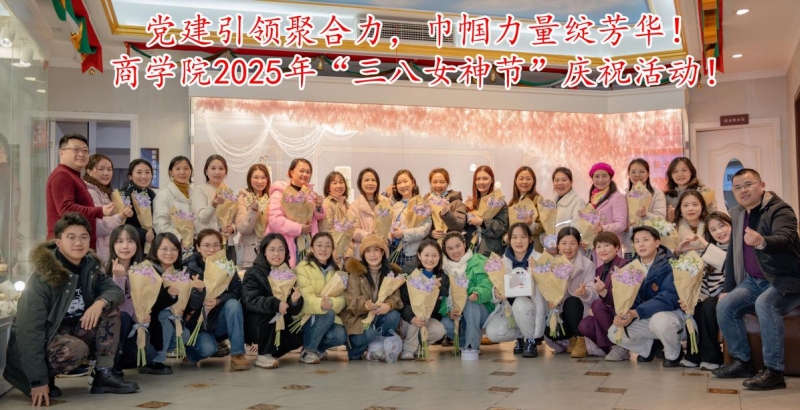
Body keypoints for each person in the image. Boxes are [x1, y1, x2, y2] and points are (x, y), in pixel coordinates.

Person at [4, 213, 139, 406]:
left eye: (84, 237)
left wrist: (99, 303)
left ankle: (104, 374)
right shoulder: (43, 277)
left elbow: (114, 291)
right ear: (58, 242)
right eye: (71, 237)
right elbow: (29, 331)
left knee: (110, 309)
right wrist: (37, 380)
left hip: (73, 330)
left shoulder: (89, 266)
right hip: (46, 339)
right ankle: (46, 378)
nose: (78, 243)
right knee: (75, 349)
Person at [713, 169, 800, 390]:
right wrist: (728, 288)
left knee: (765, 304)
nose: (743, 190)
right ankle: (742, 362)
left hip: (784, 280)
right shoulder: (738, 214)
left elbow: (786, 238)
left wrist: (762, 242)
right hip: (754, 281)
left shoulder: (780, 210)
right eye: (737, 187)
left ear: (762, 185)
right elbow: (733, 255)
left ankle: (774, 372)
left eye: (748, 184)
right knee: (725, 305)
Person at [608, 226, 683, 367]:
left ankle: (674, 353)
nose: (641, 244)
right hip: (644, 316)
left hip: (672, 315)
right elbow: (629, 297)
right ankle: (647, 348)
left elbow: (668, 298)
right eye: (637, 241)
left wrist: (636, 312)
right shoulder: (631, 268)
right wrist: (623, 314)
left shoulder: (671, 264)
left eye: (645, 240)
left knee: (659, 321)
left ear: (657, 243)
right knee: (614, 332)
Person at [183, 229, 249, 371]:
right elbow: (184, 302)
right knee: (208, 349)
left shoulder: (227, 266)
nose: (212, 249)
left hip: (219, 320)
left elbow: (236, 291)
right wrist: (200, 295)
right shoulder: (189, 268)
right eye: (206, 245)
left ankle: (238, 354)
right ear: (198, 247)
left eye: (216, 245)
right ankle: (190, 352)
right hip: (197, 324)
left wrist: (219, 300)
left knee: (233, 305)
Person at [675, 212, 731, 370]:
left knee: (708, 306)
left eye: (722, 226)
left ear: (732, 226)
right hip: (711, 297)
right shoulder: (708, 252)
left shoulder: (739, 248)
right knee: (694, 306)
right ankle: (694, 354)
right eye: (713, 229)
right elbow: (702, 281)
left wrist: (706, 247)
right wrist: (693, 299)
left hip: (731, 294)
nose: (719, 232)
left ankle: (712, 356)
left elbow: (731, 268)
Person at [484, 223, 546, 358]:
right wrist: (496, 293)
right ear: (509, 240)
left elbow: (548, 288)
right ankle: (522, 335)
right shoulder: (501, 261)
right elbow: (496, 285)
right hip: (509, 310)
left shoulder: (540, 259)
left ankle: (530, 340)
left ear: (530, 239)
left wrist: (535, 276)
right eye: (514, 237)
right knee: (494, 333)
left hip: (532, 308)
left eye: (523, 237)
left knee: (520, 303)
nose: (519, 241)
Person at [242, 233, 304, 369]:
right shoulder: (254, 272)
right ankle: (263, 354)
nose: (277, 254)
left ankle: (273, 350)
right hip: (257, 322)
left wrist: (294, 301)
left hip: (279, 322)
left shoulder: (287, 272)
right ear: (264, 252)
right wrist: (276, 304)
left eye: (281, 249)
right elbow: (251, 300)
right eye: (272, 249)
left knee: (300, 331)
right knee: (269, 313)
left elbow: (292, 310)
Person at [46, 133, 117, 249]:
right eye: (76, 150)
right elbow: (66, 209)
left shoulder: (73, 176)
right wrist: (100, 211)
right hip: (67, 246)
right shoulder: (62, 175)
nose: (81, 154)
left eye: (85, 151)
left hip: (76, 245)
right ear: (61, 153)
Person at [342, 234, 404, 361]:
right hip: (361, 319)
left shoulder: (391, 272)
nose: (372, 255)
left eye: (376, 250)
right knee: (368, 333)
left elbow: (396, 298)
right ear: (363, 254)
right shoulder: (356, 273)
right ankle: (360, 348)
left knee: (393, 316)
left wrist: (388, 305)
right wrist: (365, 305)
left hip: (379, 316)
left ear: (382, 252)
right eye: (368, 251)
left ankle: (377, 347)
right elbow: (352, 300)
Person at [105, 225, 156, 374]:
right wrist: (118, 278)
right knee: (123, 317)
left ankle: (118, 362)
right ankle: (107, 368)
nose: (125, 246)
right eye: (120, 241)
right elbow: (115, 307)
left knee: (149, 353)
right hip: (109, 329)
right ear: (112, 245)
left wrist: (143, 317)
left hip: (132, 328)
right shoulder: (103, 272)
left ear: (137, 244)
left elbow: (143, 302)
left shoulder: (144, 271)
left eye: (130, 241)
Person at [543, 227, 597, 358]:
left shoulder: (587, 265)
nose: (568, 247)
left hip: (579, 311)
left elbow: (594, 292)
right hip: (559, 312)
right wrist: (550, 301)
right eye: (564, 243)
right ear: (558, 245)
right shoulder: (551, 265)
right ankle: (571, 338)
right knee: (550, 332)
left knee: (572, 302)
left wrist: (584, 292)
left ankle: (581, 339)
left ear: (578, 245)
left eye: (572, 243)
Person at [295, 232, 347, 363]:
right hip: (306, 316)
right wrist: (321, 304)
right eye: (319, 245)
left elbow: (343, 298)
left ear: (332, 249)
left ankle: (318, 349)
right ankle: (308, 351)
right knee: (327, 313)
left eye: (327, 246)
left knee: (340, 335)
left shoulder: (336, 270)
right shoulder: (302, 268)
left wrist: (331, 302)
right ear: (312, 248)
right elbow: (305, 296)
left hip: (329, 314)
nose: (323, 249)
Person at [578, 232, 629, 360]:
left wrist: (604, 294)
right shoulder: (599, 270)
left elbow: (625, 297)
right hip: (605, 312)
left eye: (607, 245)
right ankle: (611, 348)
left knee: (597, 304)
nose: (602, 249)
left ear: (617, 247)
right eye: (599, 246)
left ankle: (620, 345)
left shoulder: (624, 265)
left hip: (621, 312)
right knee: (585, 325)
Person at [267, 158, 325, 267]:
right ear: (291, 172)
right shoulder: (280, 192)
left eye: (308, 172)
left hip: (308, 241)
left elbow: (315, 217)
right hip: (287, 242)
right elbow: (274, 219)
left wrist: (318, 206)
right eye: (301, 171)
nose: (305, 174)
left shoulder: (310, 193)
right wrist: (299, 228)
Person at [441, 232, 493, 353]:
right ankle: (462, 342)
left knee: (470, 303)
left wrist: (477, 294)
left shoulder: (479, 261)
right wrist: (448, 312)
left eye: (458, 246)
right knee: (445, 324)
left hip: (479, 309)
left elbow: (487, 286)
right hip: (458, 312)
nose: (455, 251)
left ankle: (472, 347)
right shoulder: (444, 268)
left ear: (464, 244)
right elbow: (443, 297)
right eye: (450, 248)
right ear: (445, 251)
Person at [398, 239, 449, 360]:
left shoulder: (442, 277)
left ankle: (417, 347)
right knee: (418, 313)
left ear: (440, 257)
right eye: (426, 255)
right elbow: (402, 300)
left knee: (439, 330)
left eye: (434, 255)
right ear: (419, 255)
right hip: (406, 320)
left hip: (426, 320)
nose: (430, 259)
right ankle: (408, 349)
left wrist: (437, 291)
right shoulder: (410, 272)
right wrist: (411, 317)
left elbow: (439, 307)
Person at [144, 232, 184, 376]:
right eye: (164, 249)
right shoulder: (147, 271)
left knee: (185, 335)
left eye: (174, 249)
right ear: (155, 250)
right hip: (148, 320)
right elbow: (151, 305)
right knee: (166, 315)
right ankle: (155, 361)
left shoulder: (177, 272)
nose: (169, 253)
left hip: (167, 321)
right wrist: (169, 296)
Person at [84, 154, 133, 264]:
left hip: (105, 247)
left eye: (109, 169)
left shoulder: (104, 191)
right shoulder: (91, 192)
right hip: (99, 250)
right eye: (101, 169)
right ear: (89, 171)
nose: (106, 173)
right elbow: (96, 226)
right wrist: (121, 216)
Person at [191, 155, 236, 262]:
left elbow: (234, 220)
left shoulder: (229, 192)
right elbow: (202, 218)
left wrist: (232, 228)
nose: (217, 172)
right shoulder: (200, 191)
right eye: (213, 168)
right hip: (207, 246)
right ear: (206, 171)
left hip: (228, 244)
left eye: (221, 168)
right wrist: (213, 205)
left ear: (225, 172)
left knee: (229, 272)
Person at [388, 169, 432, 272]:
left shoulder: (422, 205)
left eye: (405, 181)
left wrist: (404, 233)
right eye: (399, 183)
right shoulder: (395, 205)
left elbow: (424, 229)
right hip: (393, 251)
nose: (402, 185)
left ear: (413, 182)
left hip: (411, 254)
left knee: (410, 280)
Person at [623, 159, 667, 259]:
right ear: (628, 175)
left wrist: (646, 215)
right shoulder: (625, 196)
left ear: (648, 174)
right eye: (633, 172)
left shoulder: (656, 193)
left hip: (651, 246)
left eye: (641, 171)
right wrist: (625, 227)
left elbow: (661, 219)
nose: (637, 175)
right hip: (630, 246)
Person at [586, 162, 628, 266]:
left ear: (610, 178)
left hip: (610, 249)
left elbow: (621, 225)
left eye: (604, 176)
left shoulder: (617, 197)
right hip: (595, 249)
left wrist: (602, 228)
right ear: (592, 179)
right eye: (597, 176)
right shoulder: (592, 199)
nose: (600, 180)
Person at [153, 156, 195, 254]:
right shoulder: (163, 195)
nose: (182, 172)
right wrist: (179, 239)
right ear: (171, 172)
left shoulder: (195, 194)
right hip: (171, 247)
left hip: (194, 246)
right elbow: (160, 223)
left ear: (190, 171)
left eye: (186, 168)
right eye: (178, 169)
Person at [464, 165, 508, 256]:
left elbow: (502, 227)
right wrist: (469, 210)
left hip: (490, 252)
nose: (481, 182)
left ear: (492, 180)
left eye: (485, 178)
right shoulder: (472, 202)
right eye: (478, 179)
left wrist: (482, 222)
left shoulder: (498, 202)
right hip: (471, 250)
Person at [236, 164, 271, 268]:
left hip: (270, 251)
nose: (260, 181)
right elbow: (243, 229)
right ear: (249, 179)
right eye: (256, 177)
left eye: (263, 177)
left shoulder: (272, 198)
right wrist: (253, 211)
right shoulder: (243, 198)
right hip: (250, 253)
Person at [119, 159, 157, 252]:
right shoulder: (124, 194)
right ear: (130, 176)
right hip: (130, 245)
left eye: (147, 172)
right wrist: (144, 235)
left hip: (150, 244)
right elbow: (121, 225)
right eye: (139, 172)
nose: (144, 176)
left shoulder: (151, 194)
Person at [350, 168, 388, 260]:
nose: (370, 183)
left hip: (382, 251)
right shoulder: (354, 206)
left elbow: (392, 224)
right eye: (366, 180)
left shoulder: (386, 202)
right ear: (360, 183)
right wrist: (370, 236)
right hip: (363, 253)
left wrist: (387, 238)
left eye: (373, 180)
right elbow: (353, 230)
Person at [664, 157, 716, 222]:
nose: (680, 174)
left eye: (684, 170)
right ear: (671, 175)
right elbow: (663, 222)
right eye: (675, 171)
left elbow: (713, 216)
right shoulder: (667, 197)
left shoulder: (704, 191)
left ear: (691, 172)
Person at [319, 170, 353, 264]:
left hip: (349, 251)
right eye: (335, 183)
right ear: (328, 187)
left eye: (341, 182)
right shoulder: (327, 203)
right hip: (335, 251)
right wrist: (334, 249)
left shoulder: (347, 205)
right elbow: (326, 230)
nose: (339, 186)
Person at [424, 168, 467, 239]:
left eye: (442, 182)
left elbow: (459, 226)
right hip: (431, 243)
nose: (438, 185)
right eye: (435, 182)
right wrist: (430, 233)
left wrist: (447, 214)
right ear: (430, 183)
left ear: (447, 183)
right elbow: (419, 225)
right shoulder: (426, 202)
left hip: (451, 242)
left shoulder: (456, 202)